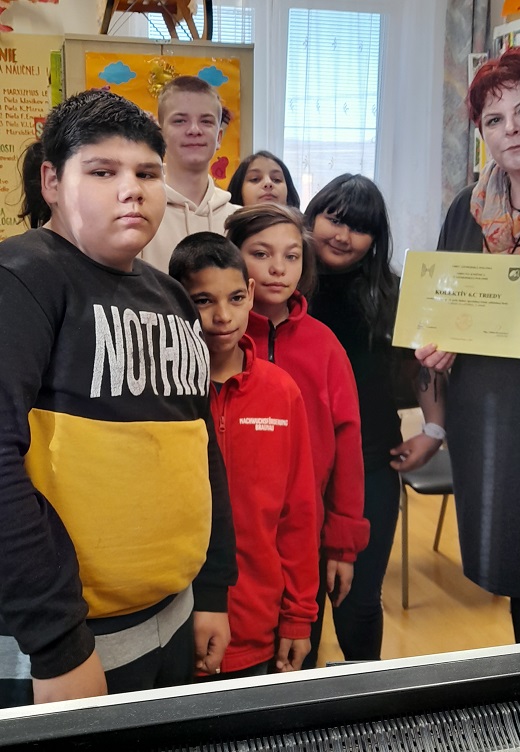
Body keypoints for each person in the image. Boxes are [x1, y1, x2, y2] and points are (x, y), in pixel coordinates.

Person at [0, 90, 237, 709]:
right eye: (103, 172)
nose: (131, 190)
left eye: (147, 174)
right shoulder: (22, 279)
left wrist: (212, 590)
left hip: (173, 616)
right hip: (66, 648)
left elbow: (200, 448)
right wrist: (58, 646)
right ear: (52, 182)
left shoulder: (172, 296)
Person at [416, 46, 520, 643]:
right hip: (491, 421)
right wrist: (435, 337)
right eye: (494, 120)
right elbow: (442, 303)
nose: (511, 129)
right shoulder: (467, 208)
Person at [304, 174, 447, 661]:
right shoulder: (284, 285)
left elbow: (421, 363)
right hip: (294, 470)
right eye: (334, 220)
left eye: (360, 228)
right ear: (312, 217)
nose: (344, 236)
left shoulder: (394, 294)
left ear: (376, 238)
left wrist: (433, 430)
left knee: (359, 603)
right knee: (300, 605)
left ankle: (367, 697)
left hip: (369, 464)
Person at [225, 204, 370, 669]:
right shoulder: (218, 338)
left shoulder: (324, 345)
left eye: (291, 256)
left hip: (304, 541)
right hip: (233, 537)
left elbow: (347, 446)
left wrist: (342, 545)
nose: (277, 269)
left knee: (297, 659)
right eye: (260, 254)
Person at [169, 232, 319, 677]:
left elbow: (298, 513)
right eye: (202, 301)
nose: (223, 316)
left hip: (257, 627)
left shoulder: (281, 392)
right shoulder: (159, 390)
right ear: (175, 300)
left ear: (251, 294)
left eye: (236, 298)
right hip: (172, 628)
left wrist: (299, 615)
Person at [142, 75, 240, 272]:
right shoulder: (139, 212)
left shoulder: (238, 221)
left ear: (219, 138)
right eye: (180, 121)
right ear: (160, 134)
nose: (194, 130)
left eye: (206, 121)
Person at [227, 151, 301, 208]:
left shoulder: (301, 223)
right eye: (255, 179)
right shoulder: (223, 222)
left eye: (276, 180)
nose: (268, 183)